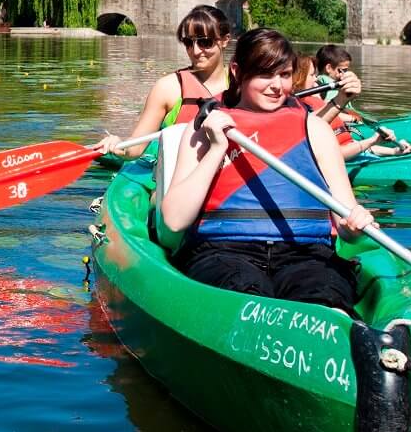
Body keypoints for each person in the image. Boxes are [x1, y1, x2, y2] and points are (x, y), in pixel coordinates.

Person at [158, 28, 377, 311]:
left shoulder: (316, 129)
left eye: (285, 75)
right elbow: (174, 220)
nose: (277, 86)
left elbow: (346, 226)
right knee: (246, 291)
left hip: (306, 255)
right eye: (265, 74)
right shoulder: (204, 128)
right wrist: (216, 149)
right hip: (223, 252)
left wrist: (354, 225)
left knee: (324, 295)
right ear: (237, 71)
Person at [100, 5, 234, 157]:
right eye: (189, 43)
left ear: (224, 40)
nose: (195, 51)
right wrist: (117, 144)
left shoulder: (243, 84)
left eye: (205, 42)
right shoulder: (167, 88)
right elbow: (135, 149)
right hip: (180, 173)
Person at [313, 44, 410, 158]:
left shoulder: (334, 85)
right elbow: (328, 110)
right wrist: (354, 120)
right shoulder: (323, 83)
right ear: (329, 68)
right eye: (342, 70)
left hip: (352, 130)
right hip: (352, 126)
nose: (345, 74)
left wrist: (393, 152)